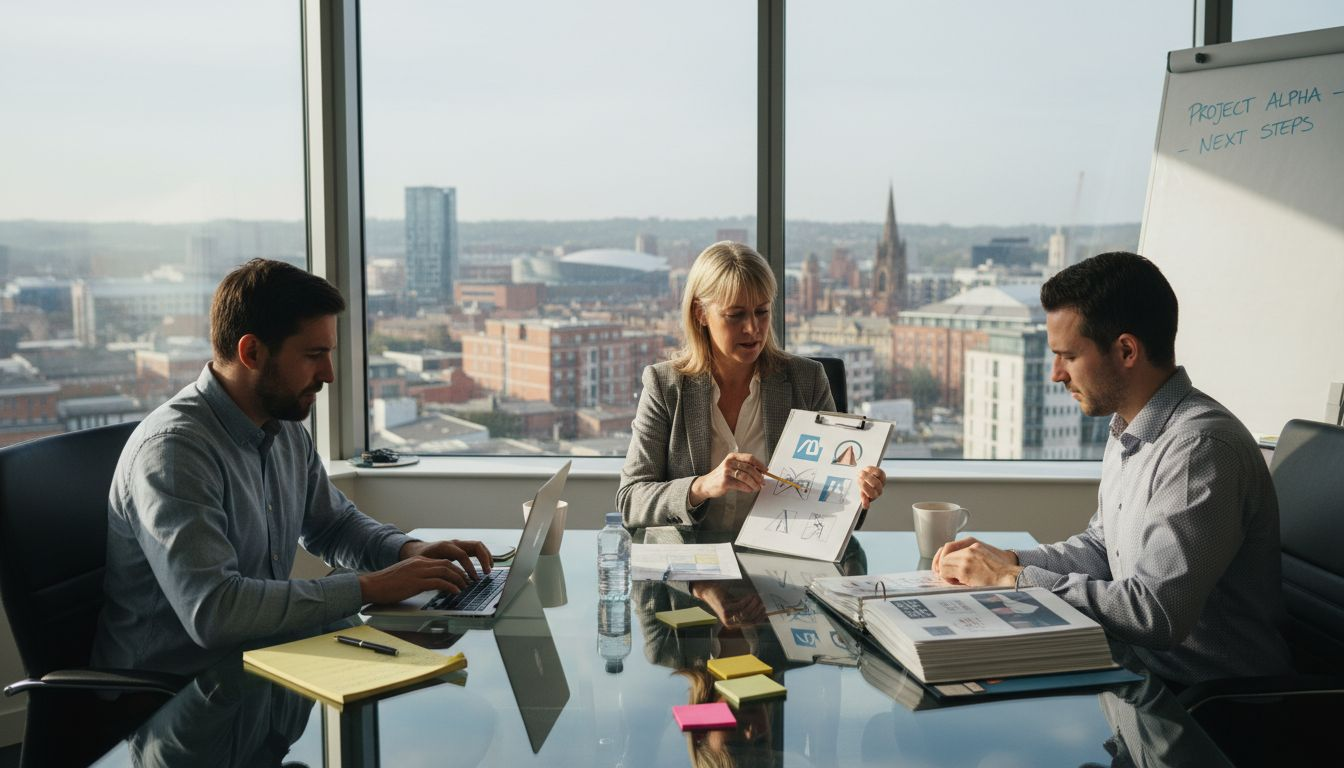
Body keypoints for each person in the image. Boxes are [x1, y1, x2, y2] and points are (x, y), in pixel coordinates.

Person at [92, 259, 491, 675]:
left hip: (264, 667)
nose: (329, 375)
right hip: (172, 696)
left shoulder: (281, 425)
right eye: (313, 355)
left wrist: (409, 552)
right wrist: (369, 587)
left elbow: (332, 526)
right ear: (251, 352)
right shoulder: (175, 452)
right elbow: (214, 611)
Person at [933, 251, 1291, 685]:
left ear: (1125, 350)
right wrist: (1007, 559)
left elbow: (1155, 614)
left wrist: (1015, 578)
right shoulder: (1129, 427)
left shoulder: (1200, 451)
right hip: (1136, 674)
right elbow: (1103, 550)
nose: (1055, 375)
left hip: (1204, 708)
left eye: (1067, 356)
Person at [618, 241, 885, 533]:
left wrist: (859, 493)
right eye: (736, 315)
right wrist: (703, 486)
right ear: (700, 313)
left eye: (762, 312)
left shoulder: (806, 379)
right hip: (691, 569)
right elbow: (631, 501)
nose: (752, 329)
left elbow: (839, 510)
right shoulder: (665, 386)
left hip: (782, 566)